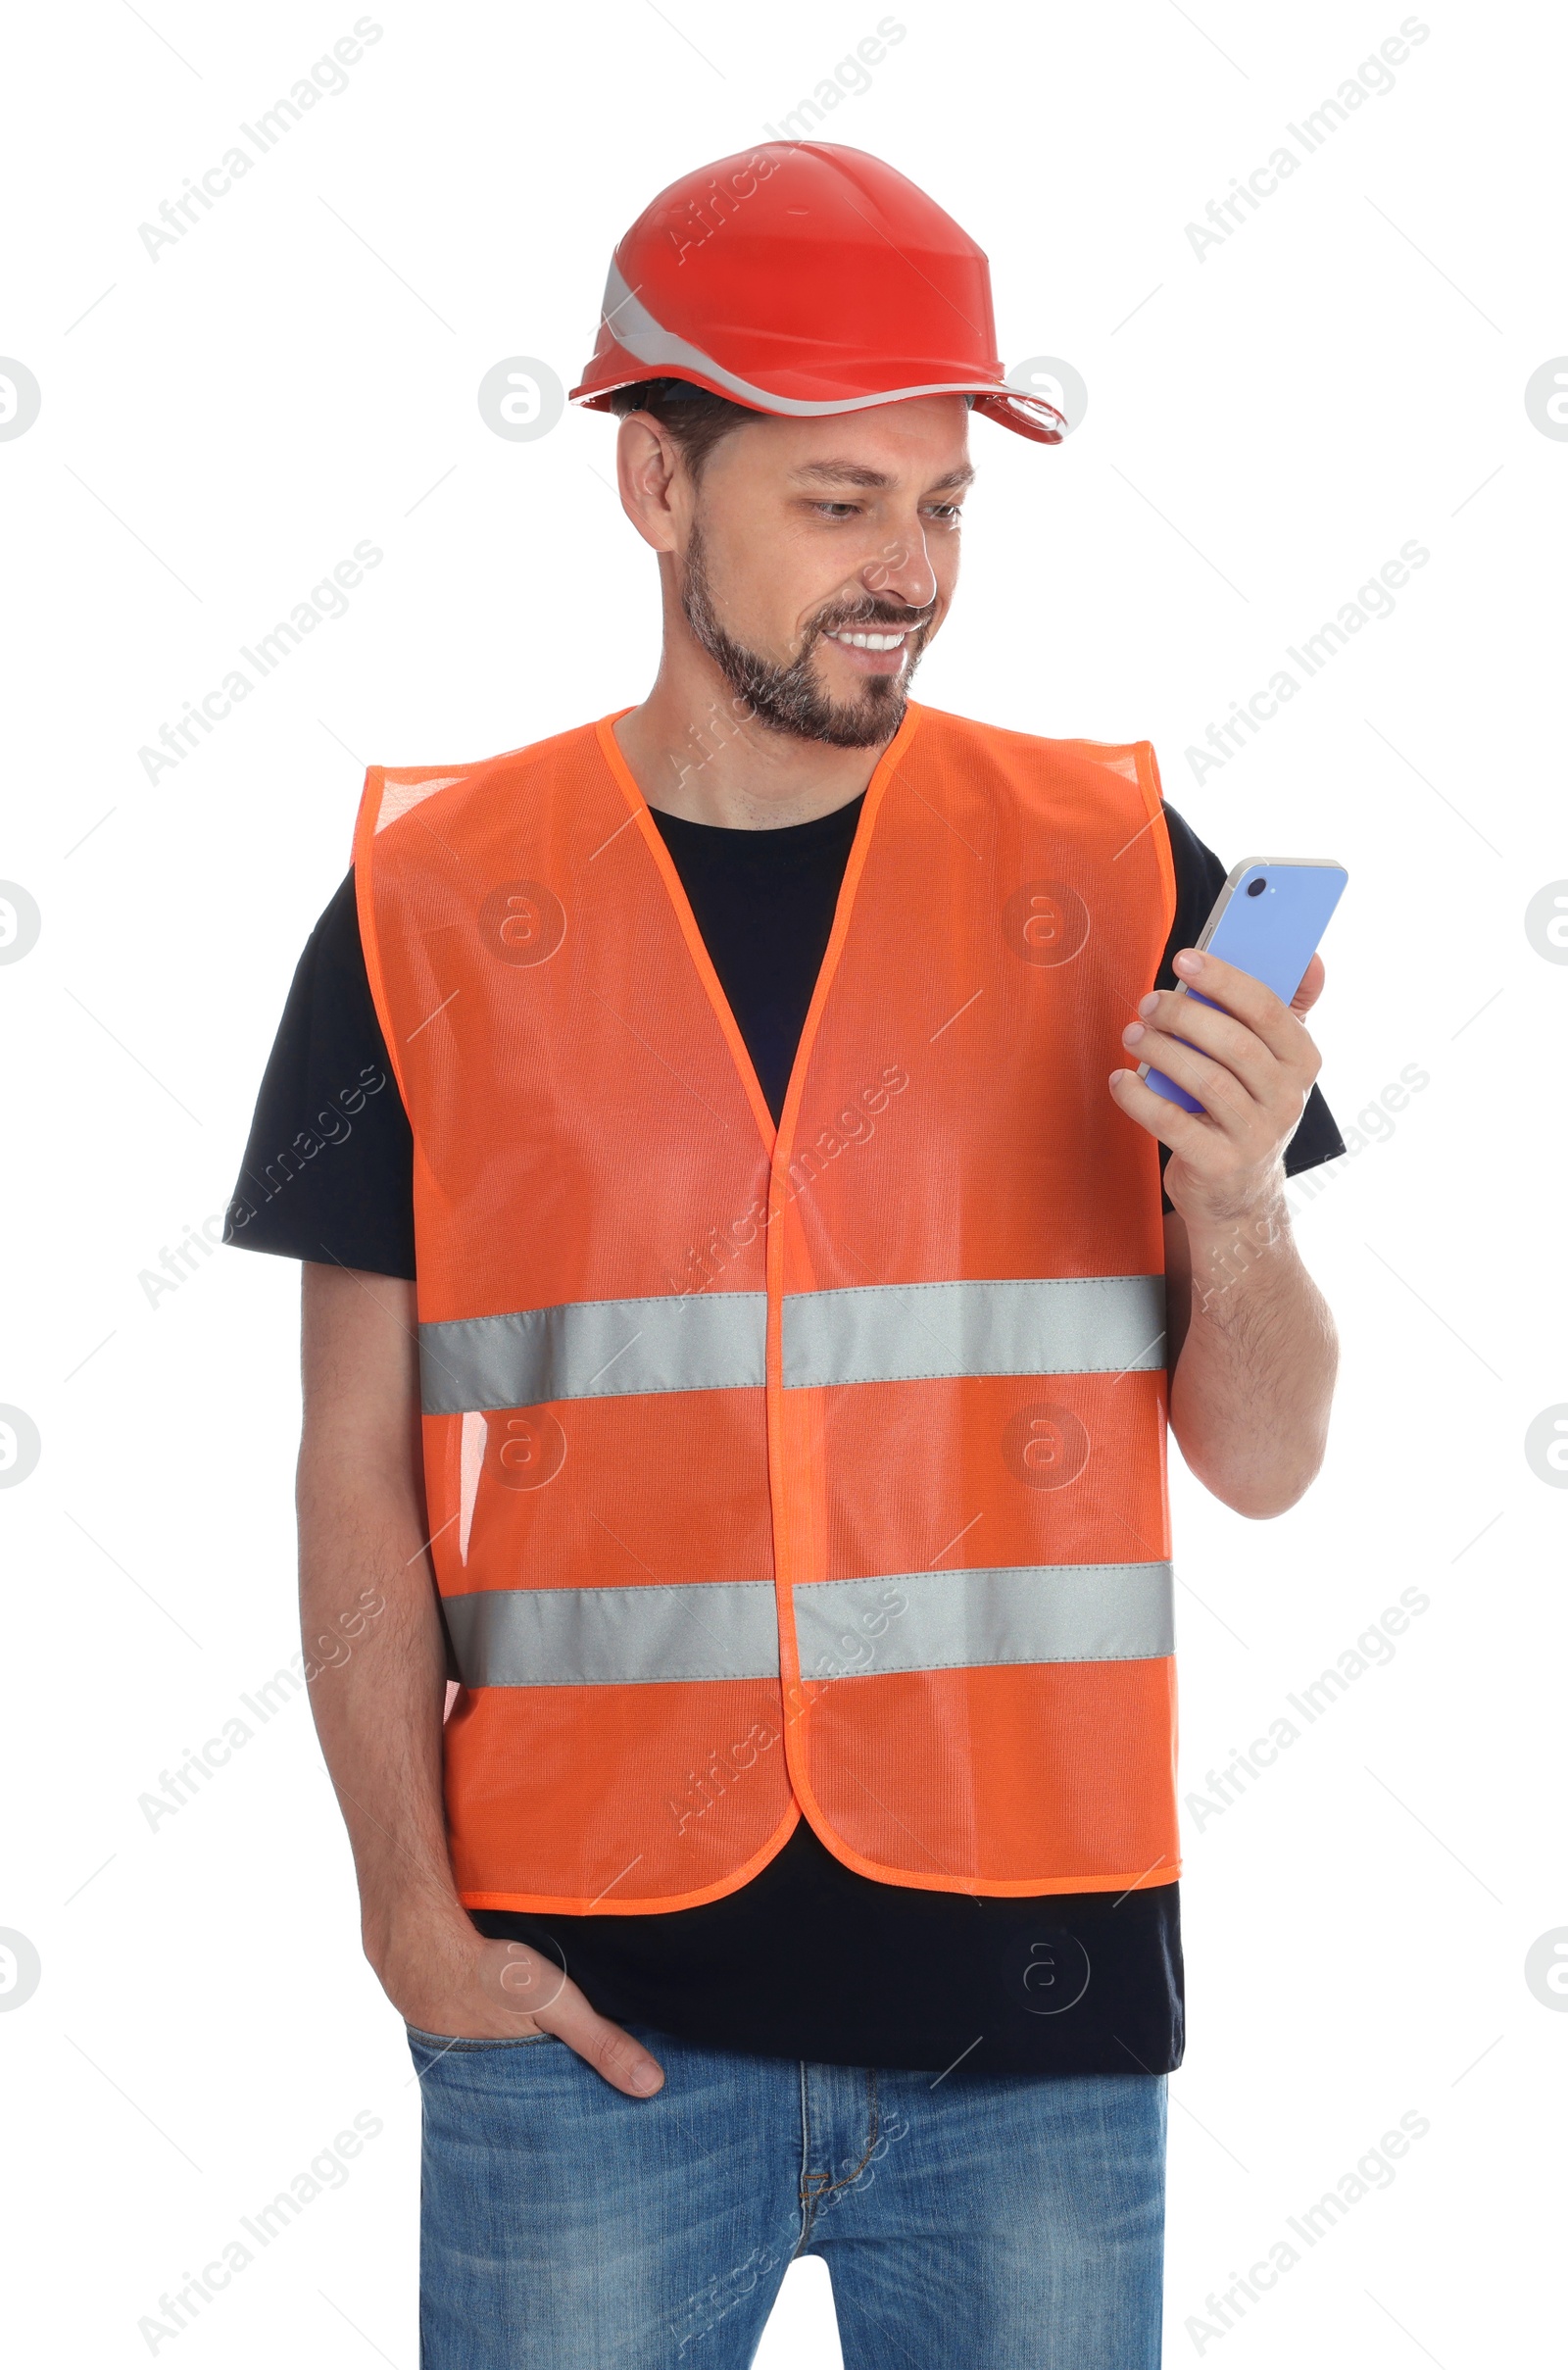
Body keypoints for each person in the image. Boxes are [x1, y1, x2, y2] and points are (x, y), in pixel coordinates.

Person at [226, 142, 1345, 2369]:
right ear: (656, 485)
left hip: (1030, 2021)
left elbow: (1264, 1460)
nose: (903, 574)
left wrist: (1230, 1210)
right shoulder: (430, 910)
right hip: (582, 2016)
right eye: (837, 505)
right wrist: (405, 1925)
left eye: (938, 508)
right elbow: (353, 1467)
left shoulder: (1115, 866)